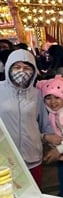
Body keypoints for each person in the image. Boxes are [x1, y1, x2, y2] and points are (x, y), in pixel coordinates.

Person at [0, 49, 50, 185]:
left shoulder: (37, 95)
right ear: (9, 68)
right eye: (17, 67)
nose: (22, 71)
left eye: (27, 68)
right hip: (4, 159)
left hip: (32, 157)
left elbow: (45, 124)